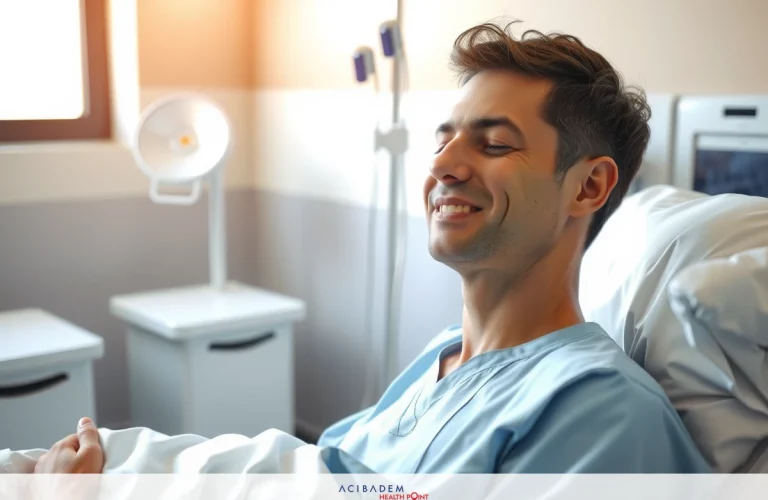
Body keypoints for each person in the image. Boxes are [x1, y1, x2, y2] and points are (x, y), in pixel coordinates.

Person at [35, 21, 711, 474]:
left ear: (588, 187)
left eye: (494, 143)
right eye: (442, 139)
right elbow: (328, 469)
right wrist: (121, 472)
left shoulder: (596, 415)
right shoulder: (439, 359)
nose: (444, 165)